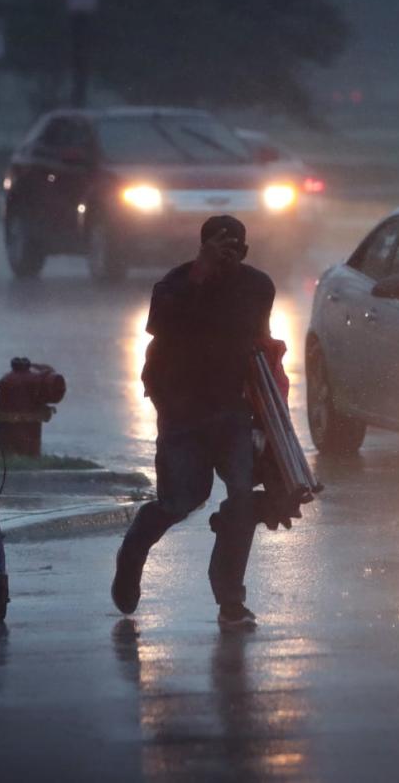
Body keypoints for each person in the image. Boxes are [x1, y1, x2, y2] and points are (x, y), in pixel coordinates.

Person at [112, 215, 276, 628]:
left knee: (241, 498)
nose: (228, 256)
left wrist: (269, 421)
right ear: (201, 247)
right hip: (182, 411)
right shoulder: (173, 285)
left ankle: (230, 602)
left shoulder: (258, 287)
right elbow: (161, 328)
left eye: (235, 249)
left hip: (232, 412)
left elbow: (262, 350)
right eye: (219, 247)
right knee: (181, 500)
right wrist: (201, 274)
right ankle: (133, 551)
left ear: (246, 252)